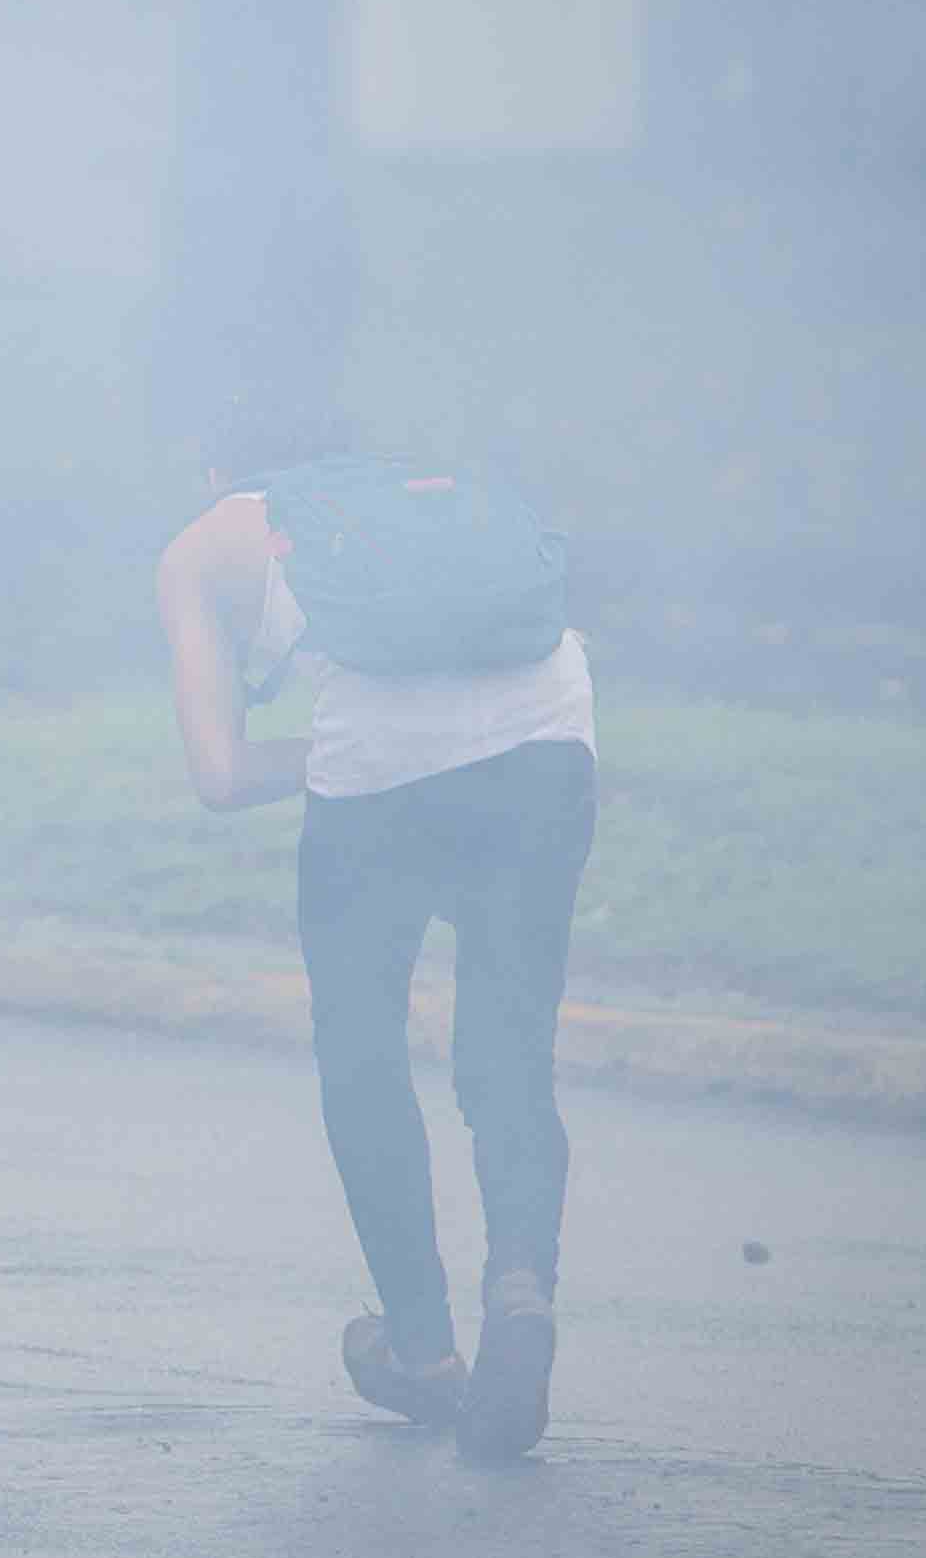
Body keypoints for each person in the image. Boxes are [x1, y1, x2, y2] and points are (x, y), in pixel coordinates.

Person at [155, 404, 596, 1460]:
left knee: (362, 1052)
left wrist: (361, 741)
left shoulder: (206, 542)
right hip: (550, 740)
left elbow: (220, 776)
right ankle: (521, 1287)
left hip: (378, 786)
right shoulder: (429, 487)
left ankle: (423, 1348)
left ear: (217, 468)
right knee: (509, 1049)